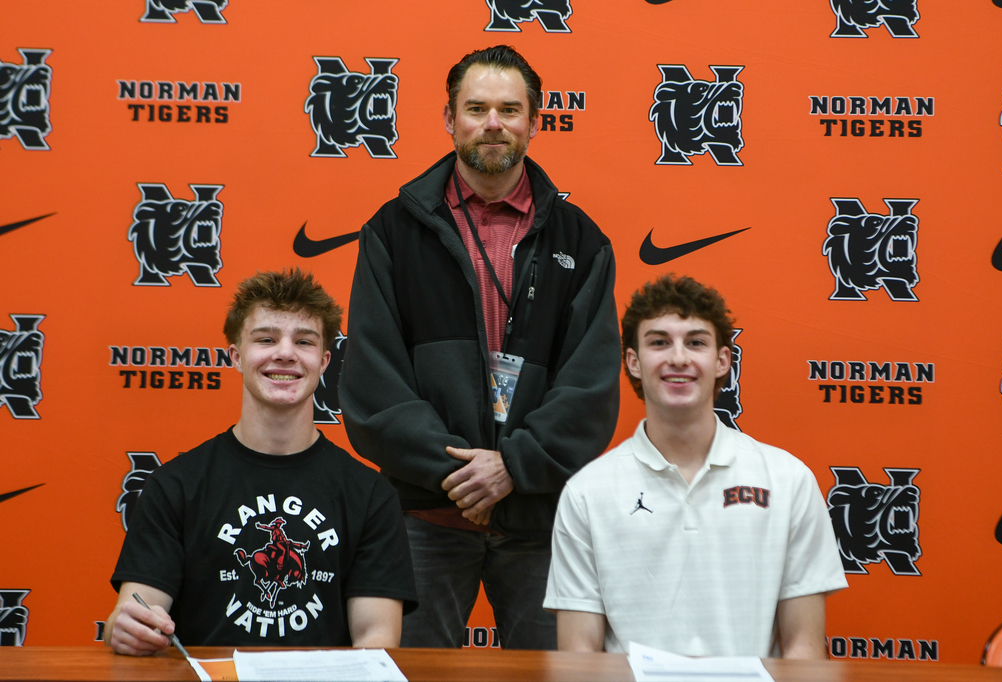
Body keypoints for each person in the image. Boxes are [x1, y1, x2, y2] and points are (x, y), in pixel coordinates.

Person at [338, 45, 620, 650]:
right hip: (423, 518)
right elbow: (371, 387)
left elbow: (590, 392)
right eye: (477, 108)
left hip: (541, 520)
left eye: (510, 109)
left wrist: (513, 468)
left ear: (535, 122)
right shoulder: (391, 233)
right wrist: (469, 475)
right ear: (449, 119)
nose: (493, 123)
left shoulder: (585, 242)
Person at [105, 269, 417, 655]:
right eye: (266, 339)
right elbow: (133, 610)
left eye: (303, 341)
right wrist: (128, 629)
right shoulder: (175, 485)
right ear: (236, 355)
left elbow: (376, 642)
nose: (284, 353)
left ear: (324, 362)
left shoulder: (371, 495)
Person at [544, 275, 847, 658]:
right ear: (633, 363)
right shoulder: (587, 493)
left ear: (722, 361)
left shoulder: (788, 480)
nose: (678, 358)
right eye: (659, 342)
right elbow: (579, 654)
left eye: (696, 342)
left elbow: (803, 647)